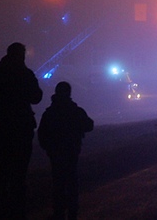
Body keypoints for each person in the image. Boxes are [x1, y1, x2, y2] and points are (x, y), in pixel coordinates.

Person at [0, 42, 43, 219]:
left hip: (2, 132)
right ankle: (17, 211)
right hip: (22, 131)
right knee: (19, 174)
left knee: (2, 172)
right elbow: (36, 97)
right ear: (21, 56)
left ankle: (1, 209)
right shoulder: (25, 74)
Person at [38, 81, 94, 220]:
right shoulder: (74, 111)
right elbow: (89, 125)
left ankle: (59, 213)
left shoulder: (50, 113)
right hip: (71, 153)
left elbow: (41, 134)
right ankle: (72, 213)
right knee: (72, 184)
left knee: (58, 185)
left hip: (55, 155)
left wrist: (49, 149)